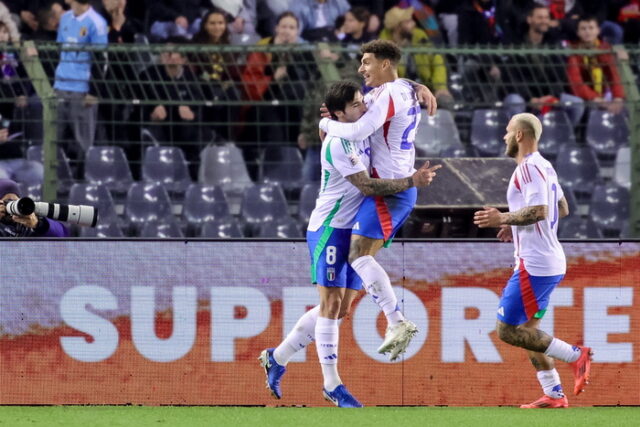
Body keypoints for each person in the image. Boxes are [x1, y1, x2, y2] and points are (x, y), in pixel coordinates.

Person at [259, 81, 440, 407]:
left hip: (352, 228)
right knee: (330, 306)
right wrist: (412, 181)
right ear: (341, 113)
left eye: (361, 101)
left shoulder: (358, 133)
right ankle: (332, 383)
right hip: (329, 228)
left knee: (341, 309)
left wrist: (417, 85)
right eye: (356, 104)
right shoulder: (339, 144)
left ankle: (278, 356)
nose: (363, 107)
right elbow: (368, 186)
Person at [318, 40, 436, 361]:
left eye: (367, 62)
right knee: (336, 305)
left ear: (384, 64)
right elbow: (393, 90)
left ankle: (397, 321)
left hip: (390, 188)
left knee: (358, 255)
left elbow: (358, 131)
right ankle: (282, 352)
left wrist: (324, 123)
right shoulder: (399, 89)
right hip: (391, 186)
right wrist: (418, 83)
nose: (361, 69)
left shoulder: (387, 94)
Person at [473, 113, 592, 409]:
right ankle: (553, 394)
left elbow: (540, 210)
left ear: (518, 136)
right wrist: (514, 224)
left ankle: (577, 356)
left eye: (506, 130)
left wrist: (502, 217)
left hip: (536, 262)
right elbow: (561, 208)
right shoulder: (545, 166)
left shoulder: (528, 168)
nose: (503, 136)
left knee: (508, 331)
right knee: (528, 332)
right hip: (546, 259)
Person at [54, 0, 108, 167]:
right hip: (60, 87)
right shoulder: (64, 19)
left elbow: (102, 59)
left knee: (83, 144)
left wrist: (94, 91)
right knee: (53, 140)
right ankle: (55, 185)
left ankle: (82, 185)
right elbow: (59, 50)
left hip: (82, 90)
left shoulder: (97, 22)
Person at [379, 6, 452, 108]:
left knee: (445, 101)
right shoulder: (383, 45)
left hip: (426, 86)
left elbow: (436, 60)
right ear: (397, 27)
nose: (413, 24)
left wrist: (440, 87)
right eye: (408, 22)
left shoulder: (419, 36)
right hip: (398, 92)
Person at [566, 16, 626, 115]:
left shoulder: (606, 49)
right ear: (578, 33)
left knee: (623, 107)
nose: (587, 32)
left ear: (598, 30)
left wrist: (618, 97)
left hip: (605, 94)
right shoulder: (574, 52)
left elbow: (614, 76)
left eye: (591, 28)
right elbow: (576, 82)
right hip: (584, 97)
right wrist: (596, 98)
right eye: (583, 29)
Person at [0, 178, 69, 237]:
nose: (8, 206)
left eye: (13, 201)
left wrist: (39, 224)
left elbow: (64, 236)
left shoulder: (27, 217)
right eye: (5, 202)